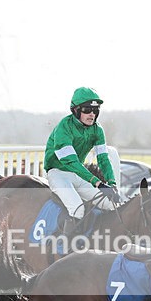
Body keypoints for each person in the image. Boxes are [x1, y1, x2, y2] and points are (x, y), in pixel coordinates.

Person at [44, 86, 121, 235]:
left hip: (78, 174)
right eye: (87, 110)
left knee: (111, 204)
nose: (92, 114)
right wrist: (98, 183)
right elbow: (71, 162)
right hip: (58, 173)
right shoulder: (64, 127)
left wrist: (111, 183)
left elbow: (103, 159)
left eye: (95, 110)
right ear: (76, 110)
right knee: (77, 209)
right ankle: (65, 244)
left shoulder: (97, 130)